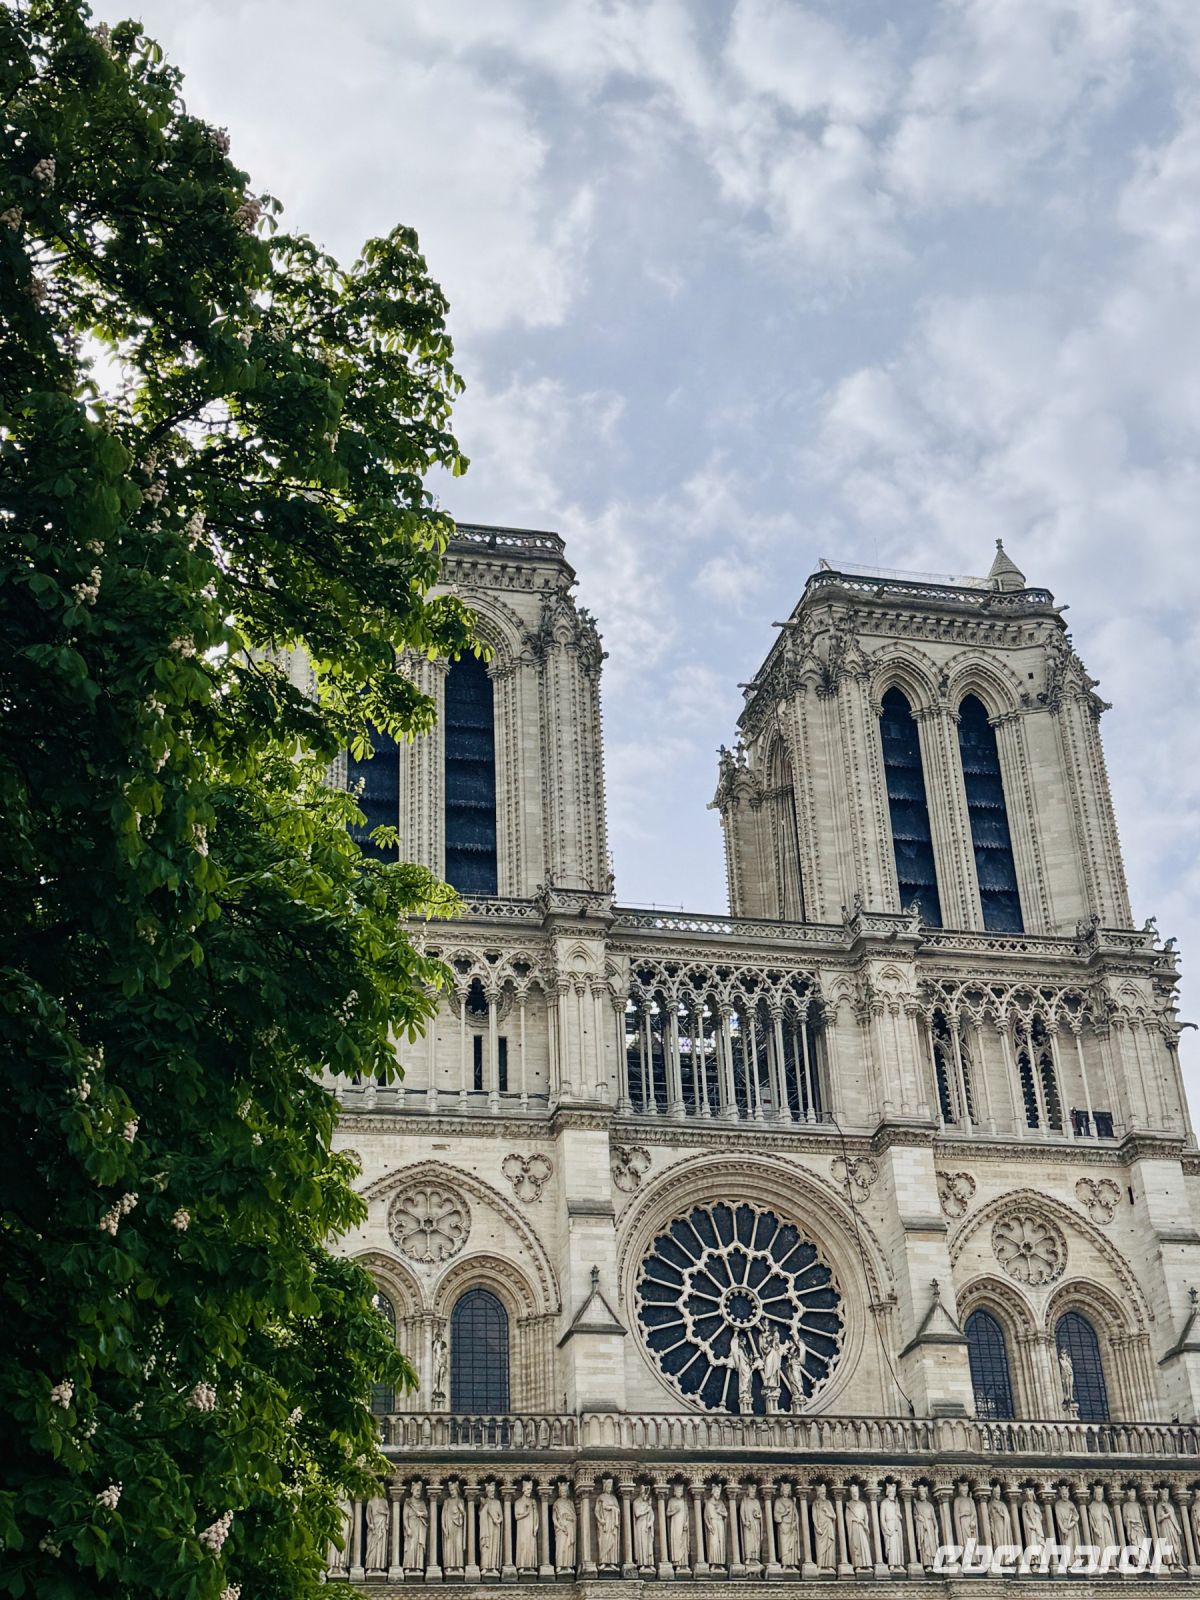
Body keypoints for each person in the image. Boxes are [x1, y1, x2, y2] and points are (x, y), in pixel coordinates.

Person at [595, 1476, 620, 1567]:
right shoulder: (600, 1497)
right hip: (604, 1524)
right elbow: (596, 1511)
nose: (609, 1489)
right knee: (603, 1540)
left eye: (610, 1487)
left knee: (612, 1541)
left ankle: (612, 1562)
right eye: (608, 1487)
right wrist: (600, 1520)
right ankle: (603, 1561)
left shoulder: (614, 1498)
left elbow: (618, 1510)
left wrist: (612, 1508)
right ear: (605, 1487)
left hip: (612, 1523)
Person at [845, 1484, 872, 1570]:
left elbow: (866, 1516)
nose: (855, 1494)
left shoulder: (862, 1504)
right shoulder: (849, 1505)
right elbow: (847, 1518)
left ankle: (867, 1564)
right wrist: (856, 1520)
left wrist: (866, 1524)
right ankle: (857, 1565)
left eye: (856, 1492)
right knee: (856, 1545)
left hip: (862, 1527)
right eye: (853, 1493)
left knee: (865, 1544)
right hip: (854, 1527)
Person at [404, 1482, 429, 1572]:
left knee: (418, 1546)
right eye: (417, 1490)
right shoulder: (408, 1502)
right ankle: (409, 1566)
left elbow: (426, 1514)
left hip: (419, 1527)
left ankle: (418, 1566)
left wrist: (421, 1513)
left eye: (420, 1491)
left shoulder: (422, 1503)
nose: (418, 1493)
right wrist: (407, 1528)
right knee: (410, 1546)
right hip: (411, 1526)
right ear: (412, 1491)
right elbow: (405, 1518)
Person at [514, 1479, 539, 1570]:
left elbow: (536, 1515)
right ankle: (522, 1565)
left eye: (531, 1489)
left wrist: (536, 1526)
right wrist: (526, 1513)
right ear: (524, 1489)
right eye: (528, 1489)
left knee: (531, 1545)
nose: (530, 1491)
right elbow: (516, 1516)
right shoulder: (518, 1502)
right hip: (522, 1528)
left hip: (531, 1527)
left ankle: (530, 1565)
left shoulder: (533, 1501)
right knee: (523, 1545)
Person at [773, 1480, 800, 1567]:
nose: (786, 1493)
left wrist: (795, 1523)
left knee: (792, 1547)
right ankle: (784, 1564)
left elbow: (795, 1515)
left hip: (791, 1526)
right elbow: (776, 1515)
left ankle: (792, 1564)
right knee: (784, 1546)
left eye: (788, 1491)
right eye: (785, 1491)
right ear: (782, 1491)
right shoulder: (778, 1501)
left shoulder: (791, 1502)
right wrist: (785, 1512)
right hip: (783, 1526)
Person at [811, 1483, 836, 1572]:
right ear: (818, 1494)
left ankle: (829, 1565)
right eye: (822, 1493)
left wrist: (827, 1512)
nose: (823, 1495)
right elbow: (814, 1516)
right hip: (820, 1528)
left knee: (829, 1546)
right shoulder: (815, 1503)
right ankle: (820, 1564)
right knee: (820, 1546)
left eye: (824, 1493)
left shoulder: (828, 1503)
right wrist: (817, 1527)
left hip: (828, 1526)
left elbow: (834, 1516)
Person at [552, 1483, 577, 1571]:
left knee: (568, 1547)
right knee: (561, 1546)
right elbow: (554, 1518)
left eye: (565, 1491)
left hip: (570, 1527)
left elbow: (574, 1516)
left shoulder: (570, 1502)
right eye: (562, 1491)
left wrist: (570, 1518)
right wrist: (560, 1527)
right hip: (561, 1528)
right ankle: (560, 1565)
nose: (564, 1493)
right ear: (559, 1492)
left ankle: (568, 1565)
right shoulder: (557, 1503)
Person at [442, 1481, 466, 1569]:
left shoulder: (461, 1501)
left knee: (458, 1544)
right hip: (449, 1527)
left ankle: (459, 1565)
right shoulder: (447, 1501)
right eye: (450, 1490)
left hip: (458, 1527)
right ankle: (449, 1565)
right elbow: (443, 1516)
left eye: (453, 1490)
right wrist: (444, 1527)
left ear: (457, 1490)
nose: (452, 1492)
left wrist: (462, 1510)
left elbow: (465, 1515)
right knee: (449, 1545)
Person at [703, 1483, 728, 1567]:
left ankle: (720, 1563)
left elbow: (726, 1514)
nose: (718, 1495)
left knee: (720, 1542)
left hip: (720, 1523)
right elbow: (705, 1516)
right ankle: (713, 1563)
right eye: (716, 1493)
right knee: (713, 1543)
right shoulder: (708, 1503)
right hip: (712, 1524)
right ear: (713, 1493)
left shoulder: (721, 1503)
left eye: (719, 1493)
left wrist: (719, 1512)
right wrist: (708, 1525)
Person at [913, 1485, 939, 1569]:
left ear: (926, 1494)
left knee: (931, 1544)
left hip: (930, 1526)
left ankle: (933, 1563)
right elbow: (915, 1516)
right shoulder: (916, 1505)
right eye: (920, 1493)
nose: (922, 1495)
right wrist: (918, 1518)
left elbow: (934, 1518)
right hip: (922, 1528)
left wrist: (936, 1528)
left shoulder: (930, 1505)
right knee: (924, 1544)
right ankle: (927, 1564)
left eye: (923, 1493)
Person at [479, 1481, 502, 1572]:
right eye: (491, 1491)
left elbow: (501, 1516)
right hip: (486, 1527)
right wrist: (485, 1506)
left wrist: (498, 1520)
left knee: (494, 1546)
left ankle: (493, 1567)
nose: (493, 1493)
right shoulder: (484, 1502)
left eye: (493, 1491)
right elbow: (480, 1514)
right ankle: (485, 1566)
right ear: (487, 1492)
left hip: (495, 1527)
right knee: (485, 1546)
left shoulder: (497, 1502)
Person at [879, 1483, 903, 1569]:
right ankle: (891, 1563)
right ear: (887, 1493)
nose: (892, 1494)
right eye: (890, 1492)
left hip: (897, 1524)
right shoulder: (884, 1503)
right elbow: (882, 1519)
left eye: (893, 1492)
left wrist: (898, 1513)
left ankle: (899, 1564)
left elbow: (900, 1516)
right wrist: (886, 1530)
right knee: (891, 1544)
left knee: (898, 1544)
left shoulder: (896, 1503)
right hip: (889, 1524)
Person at [667, 1482, 691, 1568]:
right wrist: (675, 1511)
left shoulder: (684, 1502)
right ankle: (677, 1564)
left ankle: (684, 1564)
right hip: (675, 1525)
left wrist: (687, 1523)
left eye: (681, 1491)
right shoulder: (671, 1501)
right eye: (678, 1491)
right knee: (676, 1542)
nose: (679, 1493)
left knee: (684, 1542)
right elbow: (667, 1513)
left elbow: (687, 1514)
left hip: (683, 1525)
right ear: (674, 1492)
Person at [739, 1484, 763, 1566]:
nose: (753, 1493)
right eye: (751, 1492)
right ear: (748, 1492)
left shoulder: (756, 1502)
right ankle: (748, 1557)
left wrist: (758, 1515)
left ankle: (755, 1558)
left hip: (756, 1524)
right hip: (748, 1525)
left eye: (754, 1492)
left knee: (756, 1541)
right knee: (748, 1541)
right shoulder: (744, 1501)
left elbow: (760, 1514)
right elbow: (742, 1512)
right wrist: (744, 1521)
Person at [364, 1496, 389, 1572]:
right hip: (373, 1527)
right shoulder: (370, 1501)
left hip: (381, 1526)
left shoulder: (385, 1501)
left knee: (380, 1546)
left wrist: (384, 1516)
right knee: (372, 1547)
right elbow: (368, 1514)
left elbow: (388, 1513)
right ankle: (370, 1566)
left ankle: (378, 1566)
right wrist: (369, 1524)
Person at [633, 1486, 655, 1568]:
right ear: (641, 1493)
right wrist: (647, 1510)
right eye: (645, 1495)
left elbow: (652, 1515)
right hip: (640, 1524)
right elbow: (637, 1513)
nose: (646, 1496)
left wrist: (650, 1522)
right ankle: (642, 1563)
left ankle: (649, 1563)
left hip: (647, 1525)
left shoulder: (647, 1504)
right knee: (642, 1543)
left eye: (647, 1495)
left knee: (648, 1544)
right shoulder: (636, 1502)